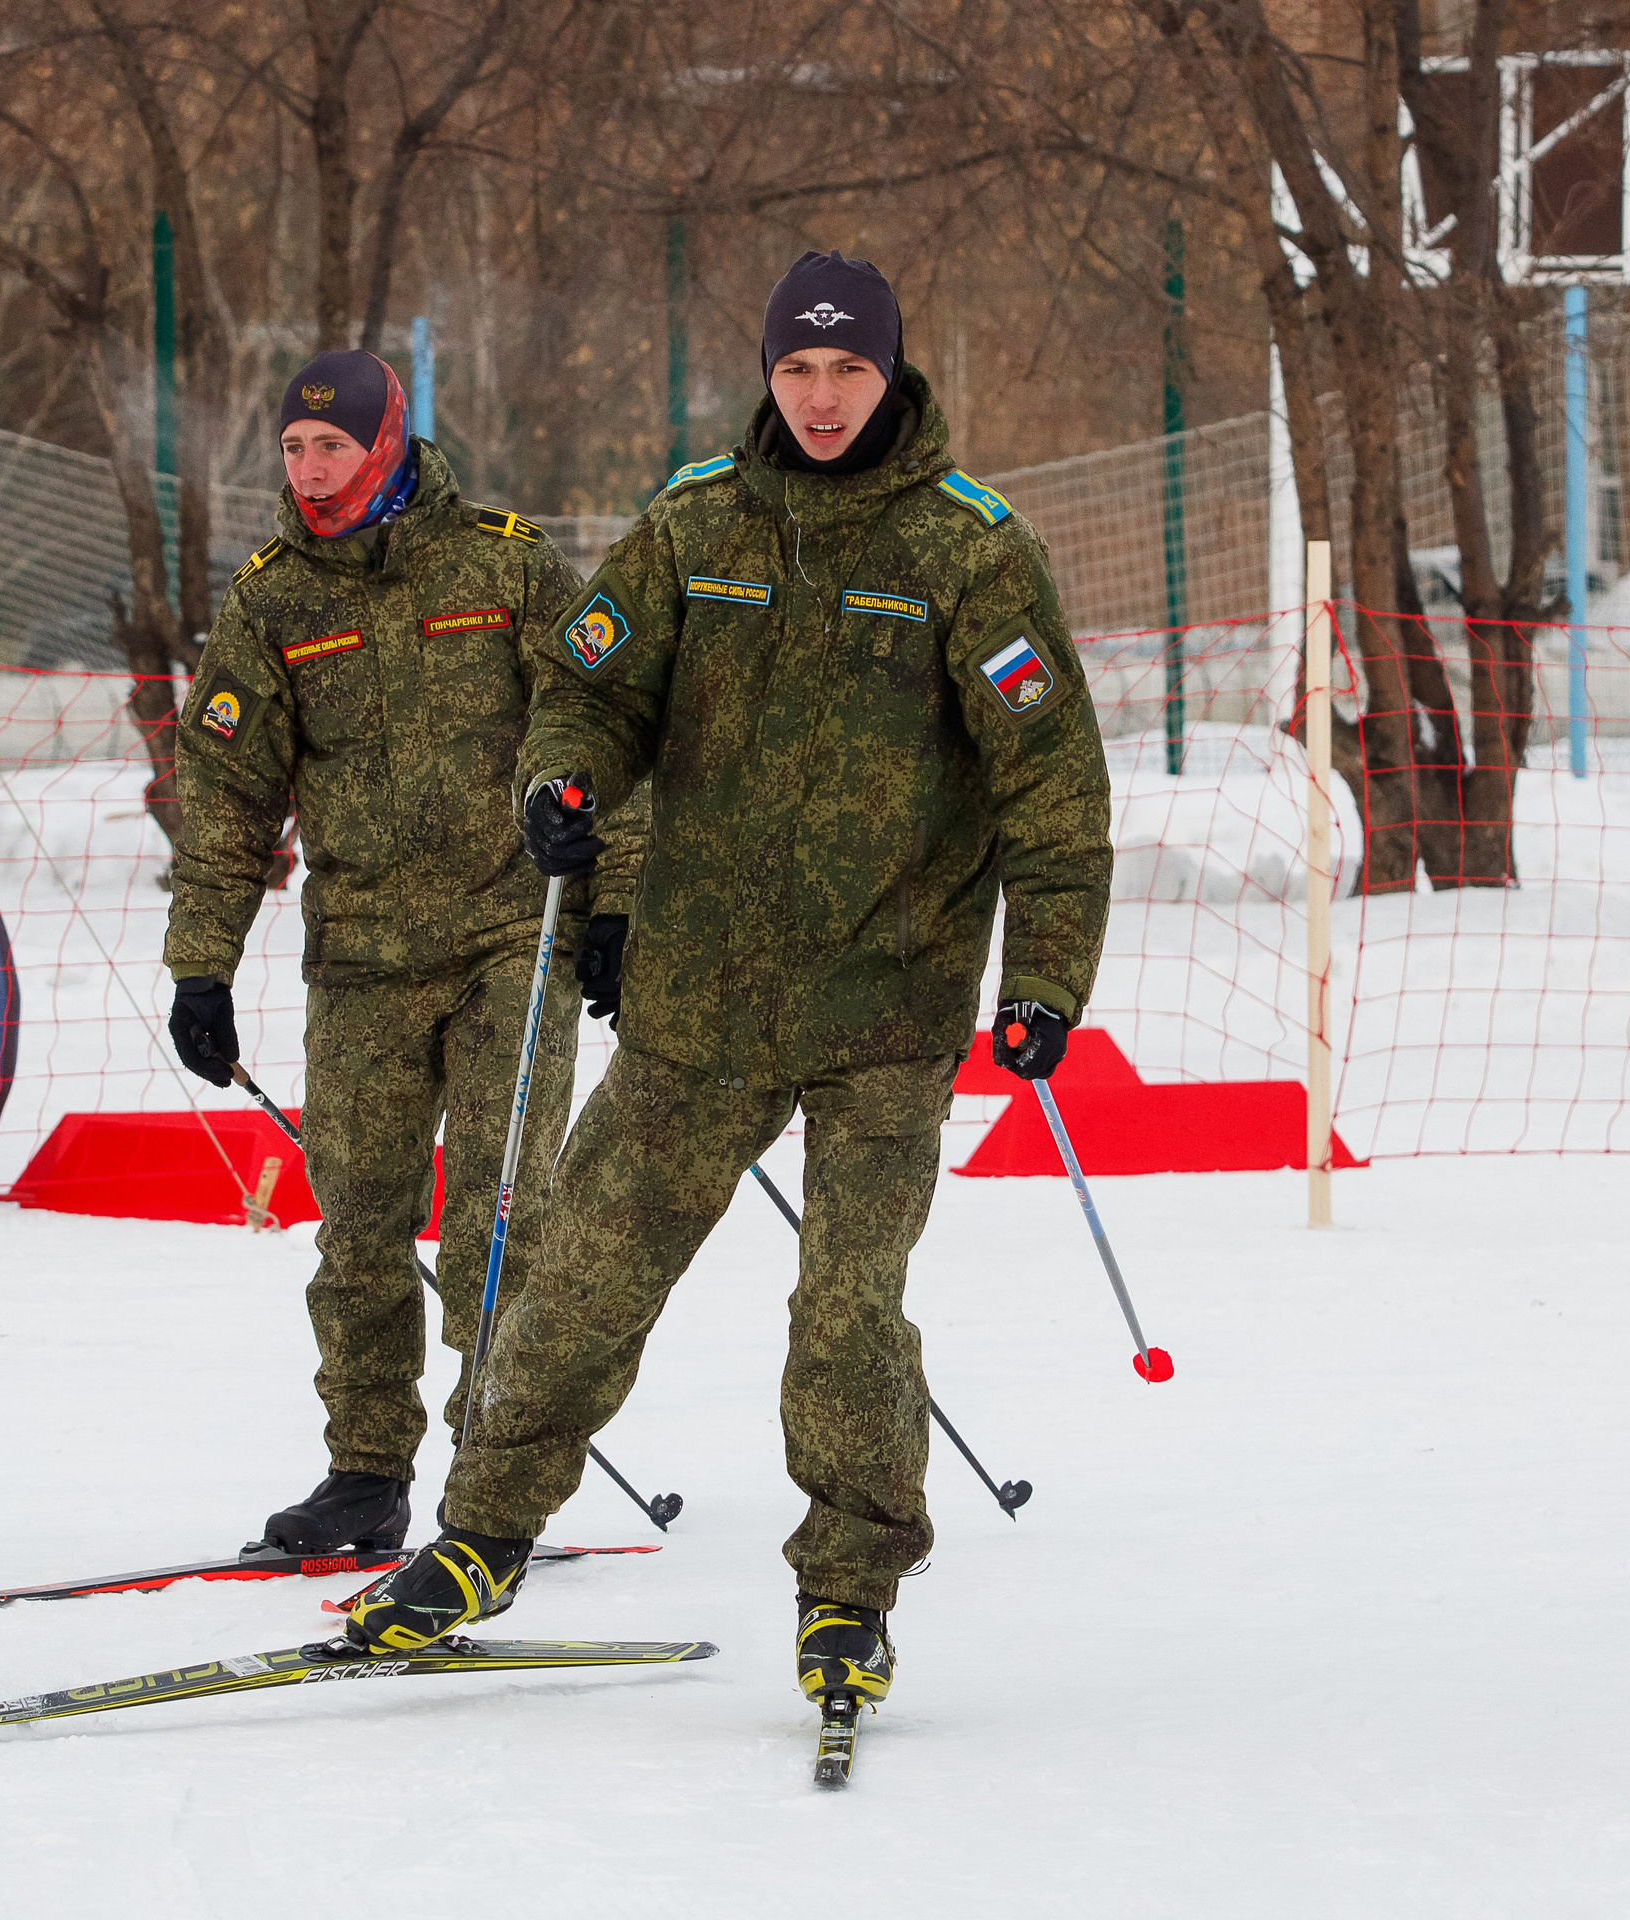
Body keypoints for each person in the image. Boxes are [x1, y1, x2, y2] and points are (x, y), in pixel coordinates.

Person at [343, 253, 1114, 1716]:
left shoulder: (970, 552)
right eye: (797, 372)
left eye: (850, 373)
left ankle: (849, 1592)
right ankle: (479, 1539)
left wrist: (1048, 982)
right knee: (576, 1282)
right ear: (769, 375)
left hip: (884, 1012)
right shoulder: (696, 522)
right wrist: (563, 783)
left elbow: (1052, 792)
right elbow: (588, 686)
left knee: (847, 1316)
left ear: (893, 375)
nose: (822, 400)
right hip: (702, 1004)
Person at [165, 349, 643, 1554]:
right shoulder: (274, 601)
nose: (312, 469)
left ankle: (494, 1485)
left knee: (496, 1218)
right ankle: (366, 1472)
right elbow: (226, 795)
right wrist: (200, 966)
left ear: (385, 446)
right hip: (364, 955)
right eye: (293, 449)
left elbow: (603, 724)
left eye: (333, 446)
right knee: (359, 1226)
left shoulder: (506, 562)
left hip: (508, 935)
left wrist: (615, 904)